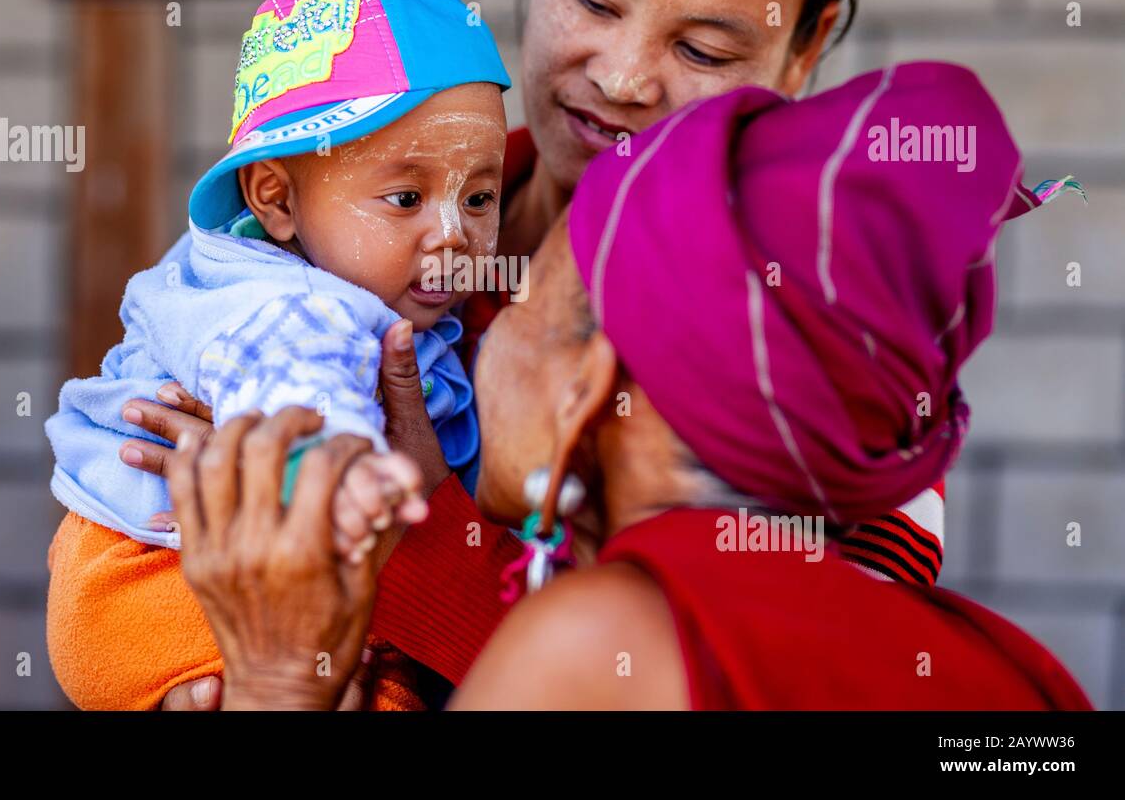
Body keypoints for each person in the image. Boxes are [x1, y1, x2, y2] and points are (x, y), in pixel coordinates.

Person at [46, 0, 980, 709]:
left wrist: (416, 546)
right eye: (599, 2)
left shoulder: (824, 332)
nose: (621, 78)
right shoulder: (316, 263)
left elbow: (767, 686)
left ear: (806, 44)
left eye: (702, 50)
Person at [164, 61, 1092, 710]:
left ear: (587, 388)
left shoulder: (595, 644)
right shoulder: (1015, 674)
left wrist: (279, 682)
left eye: (521, 305)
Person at [44, 0, 511, 707]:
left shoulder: (338, 274)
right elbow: (302, 396)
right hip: (155, 583)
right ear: (277, 201)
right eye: (405, 197)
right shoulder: (290, 307)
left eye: (481, 196)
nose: (454, 234)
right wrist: (346, 477)